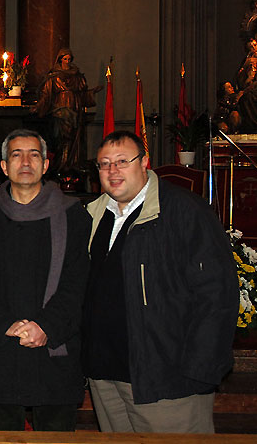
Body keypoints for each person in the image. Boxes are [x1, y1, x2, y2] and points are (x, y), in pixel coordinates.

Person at [83, 130, 238, 433]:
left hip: (166, 378)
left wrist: (200, 368)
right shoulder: (94, 214)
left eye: (122, 161)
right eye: (104, 164)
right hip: (106, 376)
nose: (113, 171)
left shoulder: (184, 211)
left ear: (145, 162)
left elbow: (217, 294)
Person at [0, 129, 90, 431]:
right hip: (0, 349)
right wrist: (4, 325)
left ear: (46, 165)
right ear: (4, 166)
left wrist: (46, 326)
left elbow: (77, 284)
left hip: (55, 350)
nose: (26, 162)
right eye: (16, 155)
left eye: (34, 154)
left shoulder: (74, 217)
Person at [35, 48, 101, 173]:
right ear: (60, 59)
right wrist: (38, 106)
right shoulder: (54, 76)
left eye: (69, 59)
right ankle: (60, 164)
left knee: (74, 138)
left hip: (75, 109)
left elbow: (82, 94)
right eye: (65, 59)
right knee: (61, 137)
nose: (67, 61)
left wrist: (92, 92)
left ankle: (72, 164)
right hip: (60, 110)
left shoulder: (76, 76)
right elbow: (46, 95)